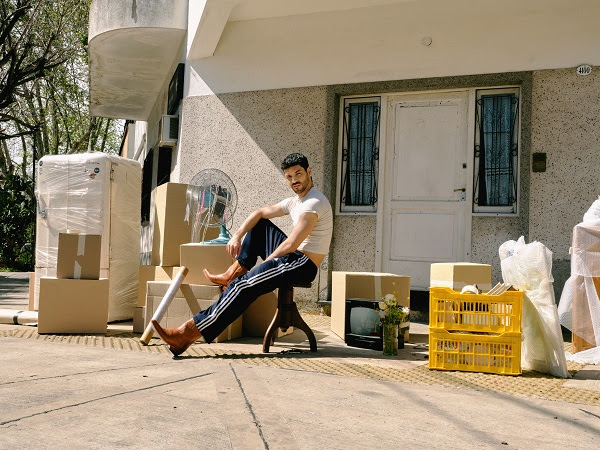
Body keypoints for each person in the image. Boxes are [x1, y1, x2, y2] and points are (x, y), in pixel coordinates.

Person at [152, 153, 333, 356]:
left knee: (243, 285)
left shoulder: (314, 203)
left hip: (302, 264)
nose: (294, 181)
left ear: (309, 171)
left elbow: (291, 244)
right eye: (289, 177)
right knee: (259, 226)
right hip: (292, 257)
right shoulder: (295, 202)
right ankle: (233, 273)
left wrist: (264, 267)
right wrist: (237, 235)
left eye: (298, 174)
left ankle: (185, 334)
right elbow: (259, 213)